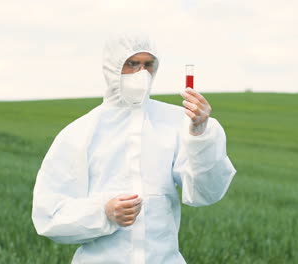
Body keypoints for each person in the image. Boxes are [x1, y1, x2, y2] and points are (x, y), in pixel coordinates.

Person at [31, 34, 236, 264]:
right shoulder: (80, 133)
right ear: (112, 67)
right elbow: (49, 214)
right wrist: (103, 212)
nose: (141, 73)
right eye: (132, 63)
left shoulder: (176, 122)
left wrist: (200, 132)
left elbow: (205, 192)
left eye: (148, 65)